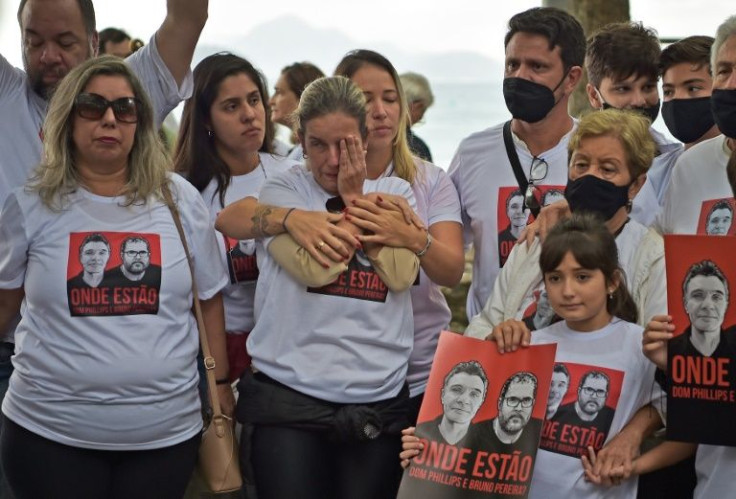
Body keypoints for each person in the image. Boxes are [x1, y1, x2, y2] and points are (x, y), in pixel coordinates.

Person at [0, 56, 232, 499]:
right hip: (47, 435)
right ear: (68, 118)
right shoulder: (29, 203)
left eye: (125, 109)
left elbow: (209, 300)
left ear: (140, 123)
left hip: (164, 439)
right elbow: (4, 304)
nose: (110, 119)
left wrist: (219, 385)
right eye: (92, 106)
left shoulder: (178, 198)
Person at [235, 76, 419, 499]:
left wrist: (353, 197)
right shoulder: (284, 189)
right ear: (300, 138)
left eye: (346, 144)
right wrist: (363, 222)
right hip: (290, 397)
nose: (333, 159)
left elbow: (399, 275)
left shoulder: (395, 191)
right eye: (318, 144)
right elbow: (317, 271)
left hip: (377, 395)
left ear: (366, 136)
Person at [490, 213, 663, 498]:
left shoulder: (640, 345)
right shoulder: (531, 344)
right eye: (555, 278)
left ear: (612, 281)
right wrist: (494, 348)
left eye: (582, 276)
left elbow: (666, 406)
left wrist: (632, 435)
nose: (568, 291)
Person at [465, 109, 665, 337]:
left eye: (607, 169)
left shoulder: (653, 257)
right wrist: (497, 337)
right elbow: (484, 324)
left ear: (635, 185)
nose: (591, 176)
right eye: (581, 165)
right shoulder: (537, 240)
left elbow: (652, 352)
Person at [448, 7, 585, 321]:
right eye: (513, 64)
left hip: (570, 346)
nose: (520, 76)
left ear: (571, 78)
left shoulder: (594, 155)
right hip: (491, 344)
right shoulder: (472, 153)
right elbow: (447, 254)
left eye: (537, 66)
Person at [174, 52, 299, 382]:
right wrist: (219, 379)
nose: (249, 115)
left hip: (288, 349)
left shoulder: (293, 175)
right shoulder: (186, 192)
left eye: (254, 100)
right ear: (205, 119)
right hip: (216, 351)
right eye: (231, 106)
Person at [584, 22, 682, 227]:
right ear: (594, 96)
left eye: (648, 87)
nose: (639, 100)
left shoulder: (677, 159)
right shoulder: (570, 161)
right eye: (623, 89)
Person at [415, 361, 488, 446]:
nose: (464, 400)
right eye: (456, 390)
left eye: (474, 394)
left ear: (481, 402)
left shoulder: (486, 445)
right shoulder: (418, 433)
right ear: (443, 394)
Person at [269, 62, 325, 160]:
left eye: (279, 92)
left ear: (302, 98)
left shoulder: (311, 155)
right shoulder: (298, 151)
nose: (270, 101)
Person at [399, 71, 434, 162]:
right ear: (418, 106)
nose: (422, 118)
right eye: (423, 110)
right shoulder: (417, 147)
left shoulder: (374, 139)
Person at [498, 189, 529, 266]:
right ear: (507, 211)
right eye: (514, 206)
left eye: (524, 206)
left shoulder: (539, 237)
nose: (519, 211)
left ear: (530, 211)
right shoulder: (499, 237)